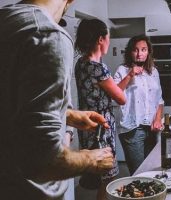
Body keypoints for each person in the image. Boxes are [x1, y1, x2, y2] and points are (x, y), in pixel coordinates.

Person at [0, 1, 115, 199]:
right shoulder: (47, 34)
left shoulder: (7, 20)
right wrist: (92, 159)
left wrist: (68, 115)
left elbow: (11, 101)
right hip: (28, 191)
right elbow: (44, 159)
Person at [74, 18, 126, 199]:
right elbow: (121, 98)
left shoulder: (81, 64)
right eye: (108, 38)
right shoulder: (99, 69)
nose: (109, 41)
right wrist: (129, 78)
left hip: (87, 126)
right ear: (100, 39)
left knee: (98, 176)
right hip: (101, 128)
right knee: (108, 178)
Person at [114, 35, 164, 175]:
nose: (139, 53)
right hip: (132, 129)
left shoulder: (153, 71)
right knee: (139, 173)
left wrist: (158, 118)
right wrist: (130, 75)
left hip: (151, 129)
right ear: (130, 52)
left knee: (152, 172)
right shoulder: (122, 70)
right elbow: (115, 95)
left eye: (143, 49)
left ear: (148, 52)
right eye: (135, 50)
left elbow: (159, 99)